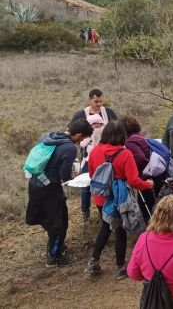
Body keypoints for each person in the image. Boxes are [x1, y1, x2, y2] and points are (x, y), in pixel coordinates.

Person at [85, 121, 154, 280]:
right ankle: (121, 267)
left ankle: (94, 261)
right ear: (122, 135)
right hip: (119, 199)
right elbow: (134, 181)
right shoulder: (125, 154)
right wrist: (148, 185)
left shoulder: (95, 151)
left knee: (105, 227)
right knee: (120, 230)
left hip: (101, 198)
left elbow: (91, 175)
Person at [26, 119, 93, 267]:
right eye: (82, 138)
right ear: (79, 134)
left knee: (50, 219)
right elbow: (63, 175)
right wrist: (74, 177)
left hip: (35, 184)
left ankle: (55, 247)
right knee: (59, 222)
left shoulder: (50, 136)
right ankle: (54, 257)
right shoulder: (69, 148)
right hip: (50, 189)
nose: (81, 141)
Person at [68, 88, 118, 222]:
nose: (99, 104)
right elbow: (69, 131)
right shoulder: (81, 114)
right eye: (96, 101)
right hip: (88, 155)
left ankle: (109, 211)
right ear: (90, 100)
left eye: (101, 101)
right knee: (86, 183)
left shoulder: (108, 112)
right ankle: (85, 213)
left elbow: (118, 127)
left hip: (107, 154)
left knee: (107, 182)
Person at [120, 115, 154, 222]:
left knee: (145, 204)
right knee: (151, 202)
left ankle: (150, 228)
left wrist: (132, 169)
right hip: (151, 172)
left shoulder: (130, 142)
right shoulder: (140, 137)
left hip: (144, 175)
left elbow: (140, 157)